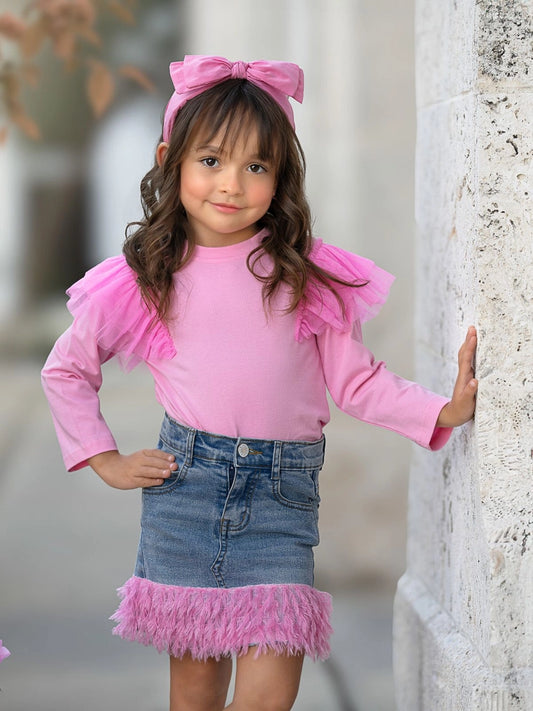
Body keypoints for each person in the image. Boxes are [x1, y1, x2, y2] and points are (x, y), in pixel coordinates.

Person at [41, 55, 477, 711]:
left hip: (279, 499)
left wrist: (443, 409)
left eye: (256, 166)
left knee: (270, 695)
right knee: (194, 693)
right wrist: (103, 456)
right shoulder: (146, 275)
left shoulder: (306, 276)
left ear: (280, 177)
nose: (231, 184)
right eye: (211, 160)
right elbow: (67, 368)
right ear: (171, 158)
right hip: (185, 491)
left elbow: (357, 383)